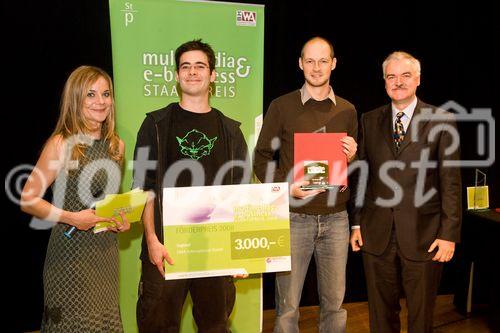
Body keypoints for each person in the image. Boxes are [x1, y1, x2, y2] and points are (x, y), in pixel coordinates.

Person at [133, 39, 249, 333]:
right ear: (176, 75)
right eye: (185, 66)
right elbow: (144, 189)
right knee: (157, 327)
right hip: (165, 251)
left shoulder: (231, 132)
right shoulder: (155, 126)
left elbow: (240, 196)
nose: (192, 72)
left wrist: (239, 252)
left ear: (212, 75)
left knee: (215, 327)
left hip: (215, 253)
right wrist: (151, 242)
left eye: (200, 66)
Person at [350, 51, 462, 332]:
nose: (398, 82)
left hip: (425, 235)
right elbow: (362, 175)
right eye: (391, 76)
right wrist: (356, 222)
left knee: (421, 318)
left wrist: (448, 235)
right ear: (384, 81)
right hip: (376, 235)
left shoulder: (442, 120)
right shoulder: (368, 120)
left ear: (418, 79)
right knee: (380, 316)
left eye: (405, 75)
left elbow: (451, 182)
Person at [254, 36, 358, 333]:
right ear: (300, 64)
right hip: (293, 218)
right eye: (310, 61)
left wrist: (352, 155)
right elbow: (261, 158)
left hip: (337, 219)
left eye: (323, 60)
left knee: (335, 305)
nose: (316, 67)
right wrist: (287, 187)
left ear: (333, 64)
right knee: (287, 307)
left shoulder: (348, 110)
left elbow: (352, 162)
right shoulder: (281, 106)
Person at [21, 65, 128, 332]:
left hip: (105, 258)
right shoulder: (61, 143)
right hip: (69, 259)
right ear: (76, 99)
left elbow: (106, 202)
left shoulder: (117, 145)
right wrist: (72, 218)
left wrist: (119, 220)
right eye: (90, 95)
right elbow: (28, 199)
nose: (100, 102)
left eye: (106, 94)